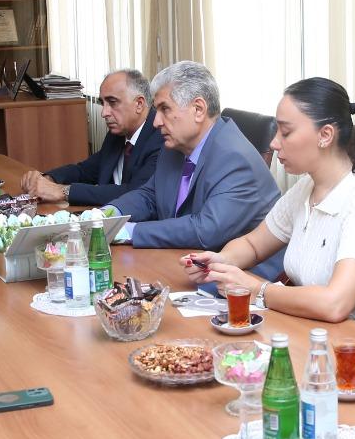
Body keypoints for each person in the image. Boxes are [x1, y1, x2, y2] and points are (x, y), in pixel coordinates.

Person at [181, 77, 355, 341]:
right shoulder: (306, 189)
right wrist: (220, 263)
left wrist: (257, 289)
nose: (274, 143)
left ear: (325, 135)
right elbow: (253, 245)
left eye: (285, 132)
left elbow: (335, 303)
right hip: (324, 327)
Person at [107, 61, 283, 279]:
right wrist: (109, 214)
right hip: (187, 264)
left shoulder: (235, 158)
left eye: (164, 109)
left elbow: (205, 230)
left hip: (242, 280)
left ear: (198, 110)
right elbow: (150, 195)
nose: (156, 122)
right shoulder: (175, 146)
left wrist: (128, 231)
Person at [21, 68, 161, 206]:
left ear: (139, 104)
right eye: (103, 103)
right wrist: (47, 179)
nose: (104, 113)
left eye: (112, 102)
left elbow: (136, 193)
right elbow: (85, 171)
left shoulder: (160, 138)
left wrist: (63, 191)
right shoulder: (118, 134)